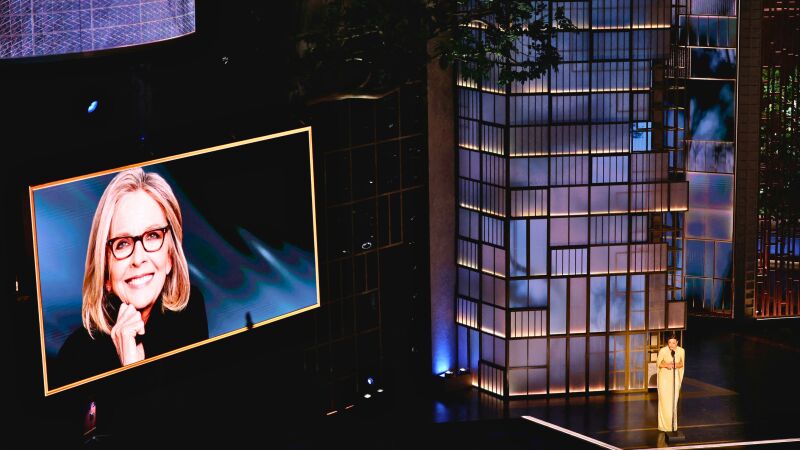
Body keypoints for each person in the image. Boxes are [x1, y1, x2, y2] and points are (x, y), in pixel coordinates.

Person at [56, 168, 208, 387]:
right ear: (105, 271)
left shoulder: (190, 311)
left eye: (153, 235)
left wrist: (134, 369)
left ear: (170, 256)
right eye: (122, 244)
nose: (138, 259)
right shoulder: (75, 357)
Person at [657, 334, 685, 432]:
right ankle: (663, 425)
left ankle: (672, 425)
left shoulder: (681, 351)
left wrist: (675, 365)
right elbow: (659, 363)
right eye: (669, 342)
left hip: (674, 377)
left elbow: (682, 363)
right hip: (664, 378)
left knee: (673, 401)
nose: (671, 345)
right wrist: (666, 365)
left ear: (677, 342)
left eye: (673, 343)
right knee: (665, 402)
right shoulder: (663, 350)